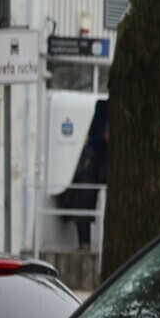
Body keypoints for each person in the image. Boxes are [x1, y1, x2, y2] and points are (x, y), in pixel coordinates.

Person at [59, 100, 109, 248]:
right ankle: (84, 243)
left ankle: (85, 243)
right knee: (83, 213)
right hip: (86, 188)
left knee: (83, 213)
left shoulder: (93, 152)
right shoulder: (93, 153)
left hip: (87, 187)